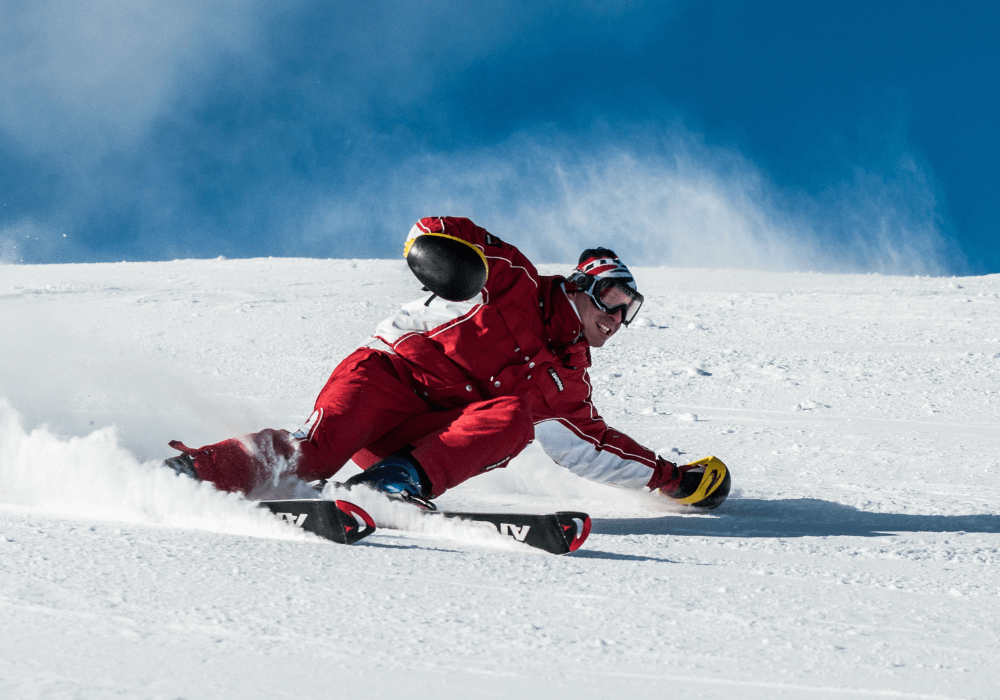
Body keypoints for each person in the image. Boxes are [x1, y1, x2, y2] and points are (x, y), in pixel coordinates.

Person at [164, 216, 730, 510]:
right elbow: (440, 229)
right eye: (612, 300)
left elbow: (595, 449)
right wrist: (442, 259)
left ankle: (390, 486)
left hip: (418, 441)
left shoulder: (568, 383)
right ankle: (198, 473)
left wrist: (673, 480)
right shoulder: (515, 281)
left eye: (628, 311)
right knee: (315, 454)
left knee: (513, 419)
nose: (617, 318)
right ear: (583, 287)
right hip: (385, 379)